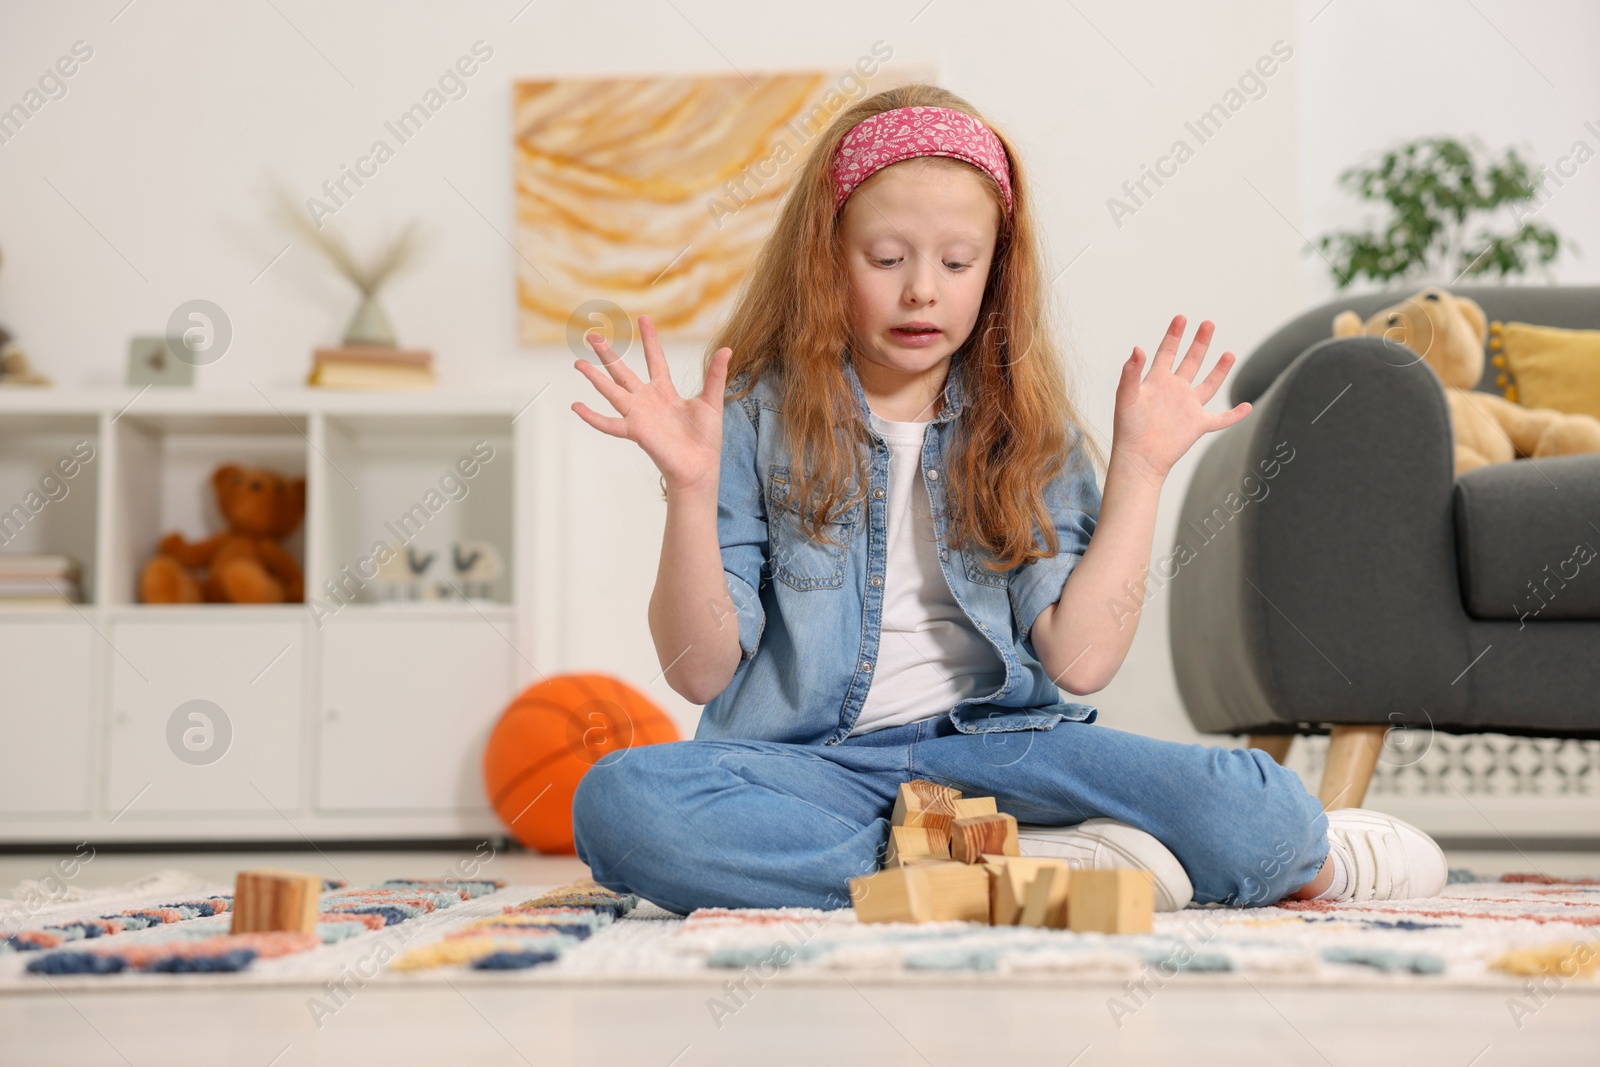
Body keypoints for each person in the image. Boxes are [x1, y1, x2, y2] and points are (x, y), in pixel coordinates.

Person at [567, 83, 1446, 916]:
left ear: (996, 270)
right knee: (621, 804)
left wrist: (1141, 467)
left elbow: (1081, 660)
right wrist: (687, 488)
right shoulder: (750, 420)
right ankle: (1012, 865)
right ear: (826, 259)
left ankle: (1321, 854)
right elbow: (700, 670)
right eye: (885, 258)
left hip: (1005, 747)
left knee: (1264, 818)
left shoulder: (1029, 428)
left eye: (957, 261)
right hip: (806, 765)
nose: (922, 289)